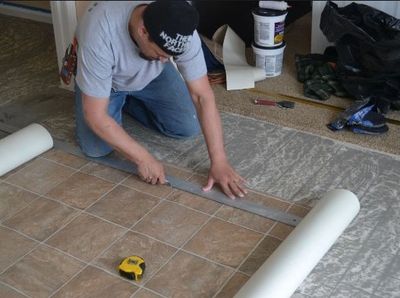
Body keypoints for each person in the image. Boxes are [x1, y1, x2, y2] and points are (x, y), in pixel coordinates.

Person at [74, 0, 247, 199]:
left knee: (187, 126)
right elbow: (94, 115)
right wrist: (143, 158)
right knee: (96, 148)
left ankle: (128, 103)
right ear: (143, 31)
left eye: (170, 56)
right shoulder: (99, 32)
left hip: (150, 75)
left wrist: (219, 161)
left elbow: (202, 96)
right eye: (161, 54)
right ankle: (111, 99)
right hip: (108, 82)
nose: (167, 60)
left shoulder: (180, 27)